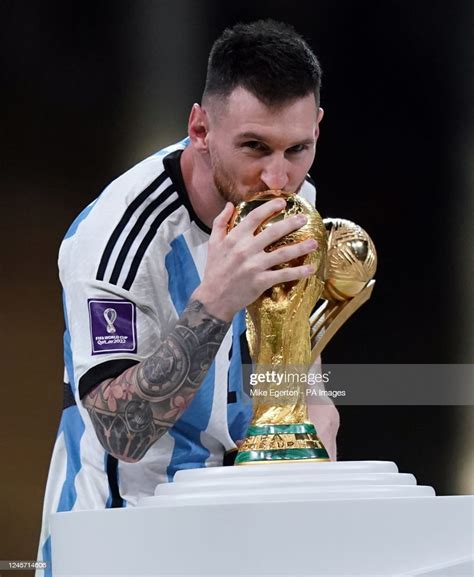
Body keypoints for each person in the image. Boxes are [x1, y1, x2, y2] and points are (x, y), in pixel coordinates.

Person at [37, 19, 339, 575]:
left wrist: (314, 413)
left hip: (233, 534)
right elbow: (119, 432)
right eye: (254, 147)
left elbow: (299, 366)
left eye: (298, 148)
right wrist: (216, 301)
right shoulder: (116, 238)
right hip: (120, 540)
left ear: (318, 126)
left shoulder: (294, 201)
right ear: (200, 129)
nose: (279, 177)